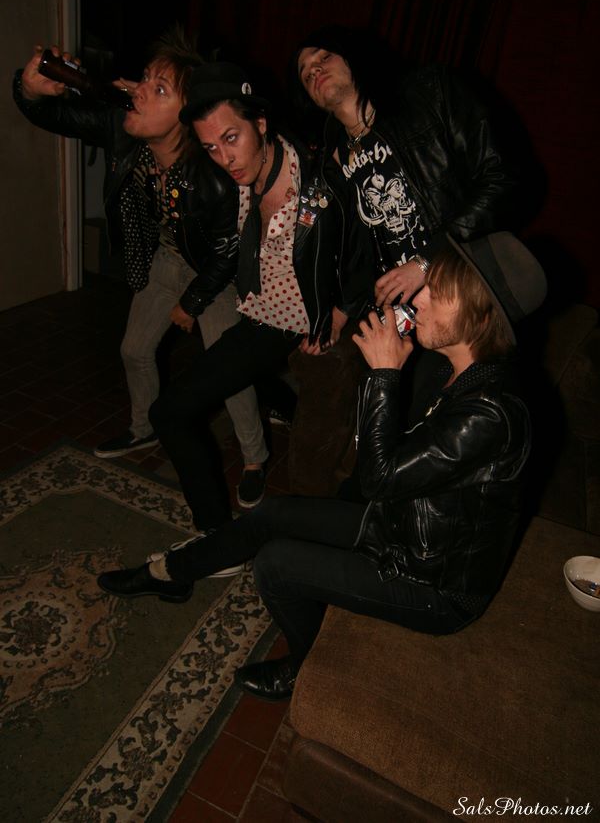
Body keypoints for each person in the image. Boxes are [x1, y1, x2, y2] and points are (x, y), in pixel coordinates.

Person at [98, 230, 547, 701]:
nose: (418, 299)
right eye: (427, 286)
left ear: (481, 315)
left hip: (433, 584)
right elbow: (387, 466)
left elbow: (379, 479)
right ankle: (169, 574)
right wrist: (385, 374)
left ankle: (307, 667)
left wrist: (385, 374)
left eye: (439, 293)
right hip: (401, 530)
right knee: (271, 513)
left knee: (275, 564)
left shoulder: (492, 412)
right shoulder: (450, 368)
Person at [13, 32, 269, 510]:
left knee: (226, 371)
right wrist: (29, 89)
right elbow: (54, 115)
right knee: (134, 349)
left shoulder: (213, 175)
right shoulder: (122, 127)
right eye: (145, 79)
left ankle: (255, 458)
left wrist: (191, 303)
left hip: (215, 274)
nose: (139, 90)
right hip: (168, 257)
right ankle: (144, 427)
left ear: (186, 116)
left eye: (159, 88)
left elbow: (227, 253)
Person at [137, 61, 368, 533]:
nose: (225, 157)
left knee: (312, 466)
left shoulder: (318, 180)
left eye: (231, 138)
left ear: (260, 124)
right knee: (169, 411)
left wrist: (341, 313)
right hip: (263, 318)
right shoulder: (232, 177)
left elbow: (367, 249)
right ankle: (214, 532)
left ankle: (288, 531)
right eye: (211, 147)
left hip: (309, 322)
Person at [293, 24, 518, 308]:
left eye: (324, 57)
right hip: (405, 308)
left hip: (466, 285)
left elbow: (502, 178)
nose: (314, 70)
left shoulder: (428, 92)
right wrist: (345, 308)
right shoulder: (330, 163)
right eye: (306, 74)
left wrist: (428, 260)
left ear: (351, 55)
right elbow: (357, 250)